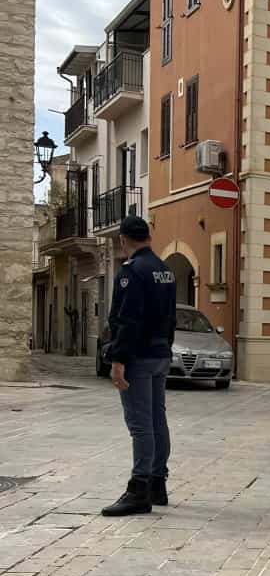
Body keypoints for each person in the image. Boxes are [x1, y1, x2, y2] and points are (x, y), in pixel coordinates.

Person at [102, 216, 177, 516]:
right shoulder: (165, 270)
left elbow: (128, 320)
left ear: (123, 239)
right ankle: (158, 482)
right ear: (148, 236)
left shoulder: (132, 272)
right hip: (160, 354)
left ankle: (139, 489)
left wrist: (118, 360)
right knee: (158, 420)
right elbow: (170, 317)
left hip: (139, 357)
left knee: (140, 424)